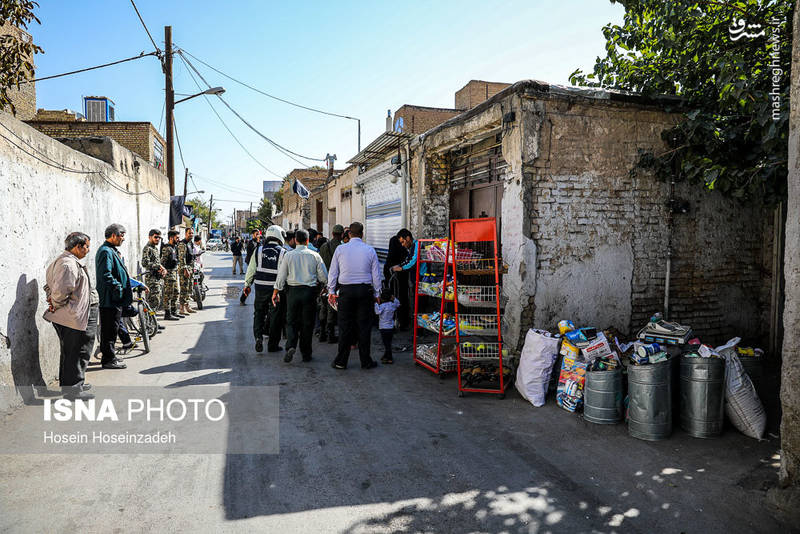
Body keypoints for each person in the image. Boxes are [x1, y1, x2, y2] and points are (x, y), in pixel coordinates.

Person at [43, 232, 98, 398]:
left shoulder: (67, 261)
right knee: (77, 350)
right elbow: (60, 293)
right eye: (86, 246)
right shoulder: (68, 264)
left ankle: (73, 384)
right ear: (77, 247)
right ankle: (73, 390)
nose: (88, 250)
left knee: (73, 350)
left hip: (74, 315)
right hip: (72, 317)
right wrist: (55, 304)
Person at [327, 222, 382, 370]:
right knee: (364, 327)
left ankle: (341, 361)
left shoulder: (340, 249)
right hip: (365, 292)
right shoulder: (370, 250)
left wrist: (331, 291)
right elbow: (376, 275)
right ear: (362, 234)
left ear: (349, 234)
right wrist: (377, 293)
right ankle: (366, 361)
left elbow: (333, 272)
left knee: (345, 326)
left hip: (346, 292)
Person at [273, 229, 327, 363]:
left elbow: (281, 276)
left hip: (292, 292)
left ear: (295, 240)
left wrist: (276, 291)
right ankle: (306, 353)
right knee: (307, 323)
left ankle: (291, 345)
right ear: (308, 241)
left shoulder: (288, 256)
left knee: (291, 321)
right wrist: (326, 286)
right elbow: (323, 276)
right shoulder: (315, 255)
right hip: (309, 292)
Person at [244, 225, 287, 353]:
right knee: (275, 316)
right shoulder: (283, 252)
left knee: (259, 313)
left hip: (260, 288)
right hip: (276, 290)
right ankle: (272, 345)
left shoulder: (258, 250)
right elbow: (286, 273)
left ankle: (258, 337)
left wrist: (247, 285)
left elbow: (251, 269)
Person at [95, 223, 131, 370]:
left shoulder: (111, 250)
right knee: (109, 331)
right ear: (114, 235)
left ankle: (110, 357)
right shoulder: (105, 251)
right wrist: (119, 288)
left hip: (114, 298)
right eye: (122, 235)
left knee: (112, 329)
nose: (123, 239)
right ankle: (108, 360)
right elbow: (106, 275)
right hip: (110, 299)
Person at [317, 224, 343, 343]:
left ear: (332, 234)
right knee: (332, 308)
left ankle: (322, 333)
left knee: (323, 306)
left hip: (324, 281)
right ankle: (331, 335)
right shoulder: (342, 248)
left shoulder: (323, 246)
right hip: (336, 282)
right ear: (342, 235)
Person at [385, 230, 411, 330]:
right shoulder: (404, 256)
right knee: (403, 299)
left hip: (394, 284)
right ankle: (402, 322)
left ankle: (393, 322)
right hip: (401, 282)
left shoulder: (390, 260)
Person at [141, 229, 166, 316]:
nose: (157, 239)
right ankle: (149, 325)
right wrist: (158, 266)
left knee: (157, 302)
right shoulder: (147, 248)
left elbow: (157, 263)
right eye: (155, 237)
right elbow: (145, 263)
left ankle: (153, 323)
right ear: (150, 237)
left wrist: (162, 269)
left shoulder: (155, 248)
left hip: (157, 279)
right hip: (152, 280)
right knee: (153, 302)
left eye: (159, 237)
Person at [375, 288, 401, 364]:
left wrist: (376, 303)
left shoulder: (382, 306)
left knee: (386, 344)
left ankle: (389, 358)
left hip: (383, 328)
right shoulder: (392, 305)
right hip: (390, 327)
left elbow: (377, 312)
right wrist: (394, 298)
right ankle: (385, 355)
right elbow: (398, 304)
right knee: (388, 342)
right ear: (391, 297)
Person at [160, 230, 182, 320]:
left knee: (176, 292)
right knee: (168, 294)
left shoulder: (174, 247)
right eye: (177, 237)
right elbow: (162, 262)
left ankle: (174, 311)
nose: (178, 239)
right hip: (168, 274)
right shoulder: (167, 248)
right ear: (171, 238)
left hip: (174, 272)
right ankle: (167, 314)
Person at [177, 228, 196, 315]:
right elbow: (181, 258)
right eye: (189, 233)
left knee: (189, 288)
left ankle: (187, 306)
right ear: (185, 234)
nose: (191, 235)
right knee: (184, 289)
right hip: (184, 269)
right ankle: (181, 308)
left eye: (192, 233)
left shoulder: (190, 243)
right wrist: (185, 269)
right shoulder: (182, 244)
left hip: (190, 268)